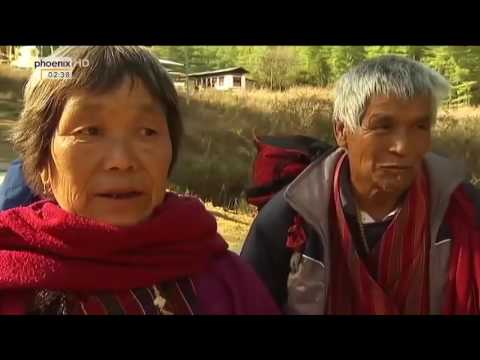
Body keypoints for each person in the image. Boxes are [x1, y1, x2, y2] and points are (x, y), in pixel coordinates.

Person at [0, 46, 279, 315]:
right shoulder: (13, 280)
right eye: (91, 131)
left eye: (147, 132)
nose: (122, 160)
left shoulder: (226, 280)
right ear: (43, 161)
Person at [241, 55, 480, 315]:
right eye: (383, 126)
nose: (403, 147)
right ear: (342, 131)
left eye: (420, 126)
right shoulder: (291, 217)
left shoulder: (462, 209)